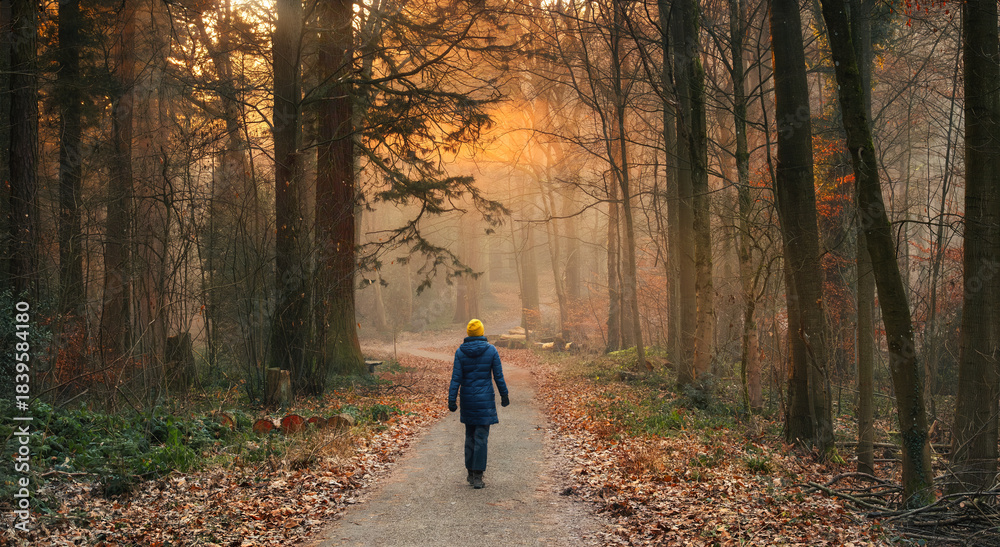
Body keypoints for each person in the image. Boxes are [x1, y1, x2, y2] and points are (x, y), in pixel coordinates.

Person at [448, 318, 509, 489]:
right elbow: (498, 376)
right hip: (485, 401)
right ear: (482, 332)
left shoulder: (460, 352)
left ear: (468, 333)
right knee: (481, 437)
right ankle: (478, 476)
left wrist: (452, 399)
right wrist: (504, 395)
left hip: (468, 400)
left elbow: (456, 379)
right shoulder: (491, 350)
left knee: (470, 436)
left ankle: (470, 472)